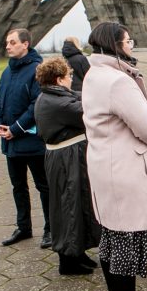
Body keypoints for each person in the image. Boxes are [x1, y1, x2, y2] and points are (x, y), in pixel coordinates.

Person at [82, 22, 147, 291]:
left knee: (111, 238)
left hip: (105, 166)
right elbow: (145, 126)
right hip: (124, 169)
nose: (131, 46)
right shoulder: (117, 81)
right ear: (115, 45)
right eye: (128, 41)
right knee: (126, 244)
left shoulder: (94, 74)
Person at [34, 57, 101, 275]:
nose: (71, 80)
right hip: (66, 159)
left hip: (66, 157)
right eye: (68, 76)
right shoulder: (58, 102)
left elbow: (79, 97)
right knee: (69, 206)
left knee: (77, 204)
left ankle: (77, 251)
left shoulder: (51, 97)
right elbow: (86, 111)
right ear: (59, 79)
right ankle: (68, 260)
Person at [0, 28, 51, 248]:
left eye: (12, 42)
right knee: (18, 187)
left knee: (43, 187)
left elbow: (36, 105)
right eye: (6, 42)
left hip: (32, 142)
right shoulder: (7, 72)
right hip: (10, 142)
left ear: (25, 44)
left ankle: (50, 230)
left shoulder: (37, 69)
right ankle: (24, 228)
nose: (7, 46)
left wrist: (15, 129)